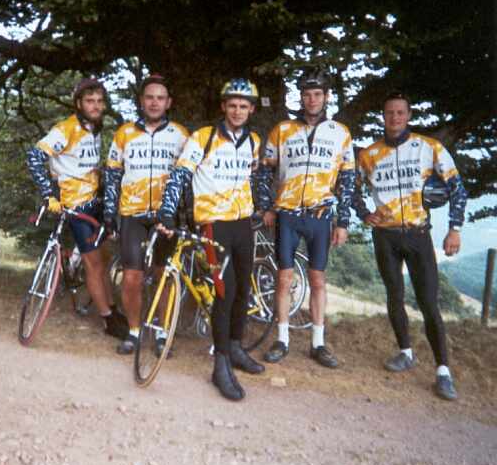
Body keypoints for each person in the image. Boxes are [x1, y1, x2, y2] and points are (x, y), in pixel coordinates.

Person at [353, 91, 467, 401]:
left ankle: (443, 371)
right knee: (394, 295)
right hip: (385, 235)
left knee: (429, 302)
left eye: (400, 113)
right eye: (390, 112)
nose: (395, 118)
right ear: (383, 116)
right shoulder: (369, 154)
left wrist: (454, 230)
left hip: (418, 233)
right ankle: (405, 352)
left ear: (408, 115)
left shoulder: (429, 148)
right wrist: (364, 213)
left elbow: (457, 189)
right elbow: (350, 188)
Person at [157, 78, 265, 401]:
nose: (237, 111)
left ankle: (234, 347)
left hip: (243, 224)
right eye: (232, 105)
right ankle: (220, 365)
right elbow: (180, 176)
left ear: (252, 110)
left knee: (243, 290)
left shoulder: (254, 141)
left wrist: (264, 206)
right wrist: (166, 212)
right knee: (224, 291)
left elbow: (255, 176)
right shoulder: (202, 138)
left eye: (243, 106)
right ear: (223, 107)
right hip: (213, 226)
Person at [258, 66, 355, 368]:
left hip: (320, 214)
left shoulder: (340, 133)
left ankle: (318, 343)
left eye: (317, 94)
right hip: (287, 214)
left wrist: (343, 221)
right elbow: (264, 170)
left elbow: (348, 179)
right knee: (284, 278)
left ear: (326, 97)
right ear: (300, 97)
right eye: (306, 95)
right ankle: (282, 339)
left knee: (317, 279)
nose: (311, 100)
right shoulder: (282, 129)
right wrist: (267, 206)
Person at [26, 78, 129, 339]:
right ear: (78, 103)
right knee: (93, 263)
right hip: (75, 205)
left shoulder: (94, 129)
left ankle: (112, 308)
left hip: (95, 201)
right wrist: (49, 195)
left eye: (99, 101)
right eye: (89, 101)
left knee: (104, 259)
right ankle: (107, 320)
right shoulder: (66, 129)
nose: (95, 106)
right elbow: (35, 156)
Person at [103, 74, 190, 355]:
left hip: (167, 216)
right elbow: (113, 174)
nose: (154, 103)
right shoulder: (124, 133)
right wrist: (109, 212)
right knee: (132, 278)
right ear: (141, 101)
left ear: (169, 102)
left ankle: (163, 333)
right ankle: (134, 331)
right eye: (149, 97)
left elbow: (189, 177)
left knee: (164, 276)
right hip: (133, 214)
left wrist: (187, 216)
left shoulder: (181, 135)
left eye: (160, 98)